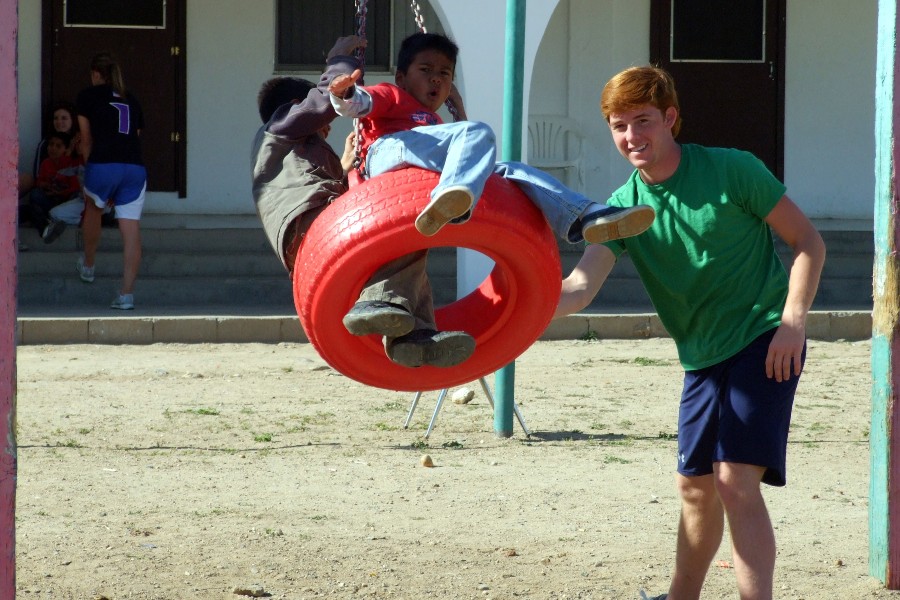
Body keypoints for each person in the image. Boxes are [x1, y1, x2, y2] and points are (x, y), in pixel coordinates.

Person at [555, 66, 826, 600]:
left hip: (765, 337)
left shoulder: (733, 170)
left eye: (643, 121)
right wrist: (513, 315)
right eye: (619, 125)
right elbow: (580, 288)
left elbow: (809, 243)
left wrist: (793, 322)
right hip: (702, 356)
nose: (632, 136)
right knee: (695, 490)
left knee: (733, 482)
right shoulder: (622, 209)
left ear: (671, 118)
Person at [327, 32, 655, 363]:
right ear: (401, 77)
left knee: (507, 171)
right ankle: (454, 201)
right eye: (425, 70)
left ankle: (583, 215)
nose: (435, 79)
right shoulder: (393, 94)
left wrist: (460, 111)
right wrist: (344, 94)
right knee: (478, 134)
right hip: (390, 154)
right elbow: (362, 102)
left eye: (444, 73)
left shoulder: (436, 120)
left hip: (419, 179)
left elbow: (463, 152)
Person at [253, 34, 479, 369]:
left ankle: (415, 336)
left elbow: (331, 190)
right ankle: (378, 303)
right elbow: (324, 101)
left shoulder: (300, 152)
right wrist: (338, 60)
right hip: (314, 229)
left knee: (405, 243)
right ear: (291, 109)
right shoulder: (280, 131)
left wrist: (346, 167)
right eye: (319, 117)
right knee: (406, 227)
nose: (327, 123)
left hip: (311, 237)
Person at [75, 52, 147, 310]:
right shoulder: (133, 99)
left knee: (93, 209)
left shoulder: (87, 96)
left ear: (96, 74)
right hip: (134, 168)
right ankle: (126, 295)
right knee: (131, 231)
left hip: (104, 163)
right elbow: (135, 136)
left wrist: (88, 167)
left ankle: (89, 265)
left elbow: (86, 138)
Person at [25, 131, 81, 242]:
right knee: (34, 196)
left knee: (76, 196)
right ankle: (46, 223)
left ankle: (48, 220)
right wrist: (43, 185)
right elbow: (39, 182)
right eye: (51, 144)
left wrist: (59, 193)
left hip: (67, 201)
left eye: (58, 146)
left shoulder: (71, 163)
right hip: (50, 200)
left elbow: (75, 187)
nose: (53, 148)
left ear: (66, 149)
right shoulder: (45, 163)